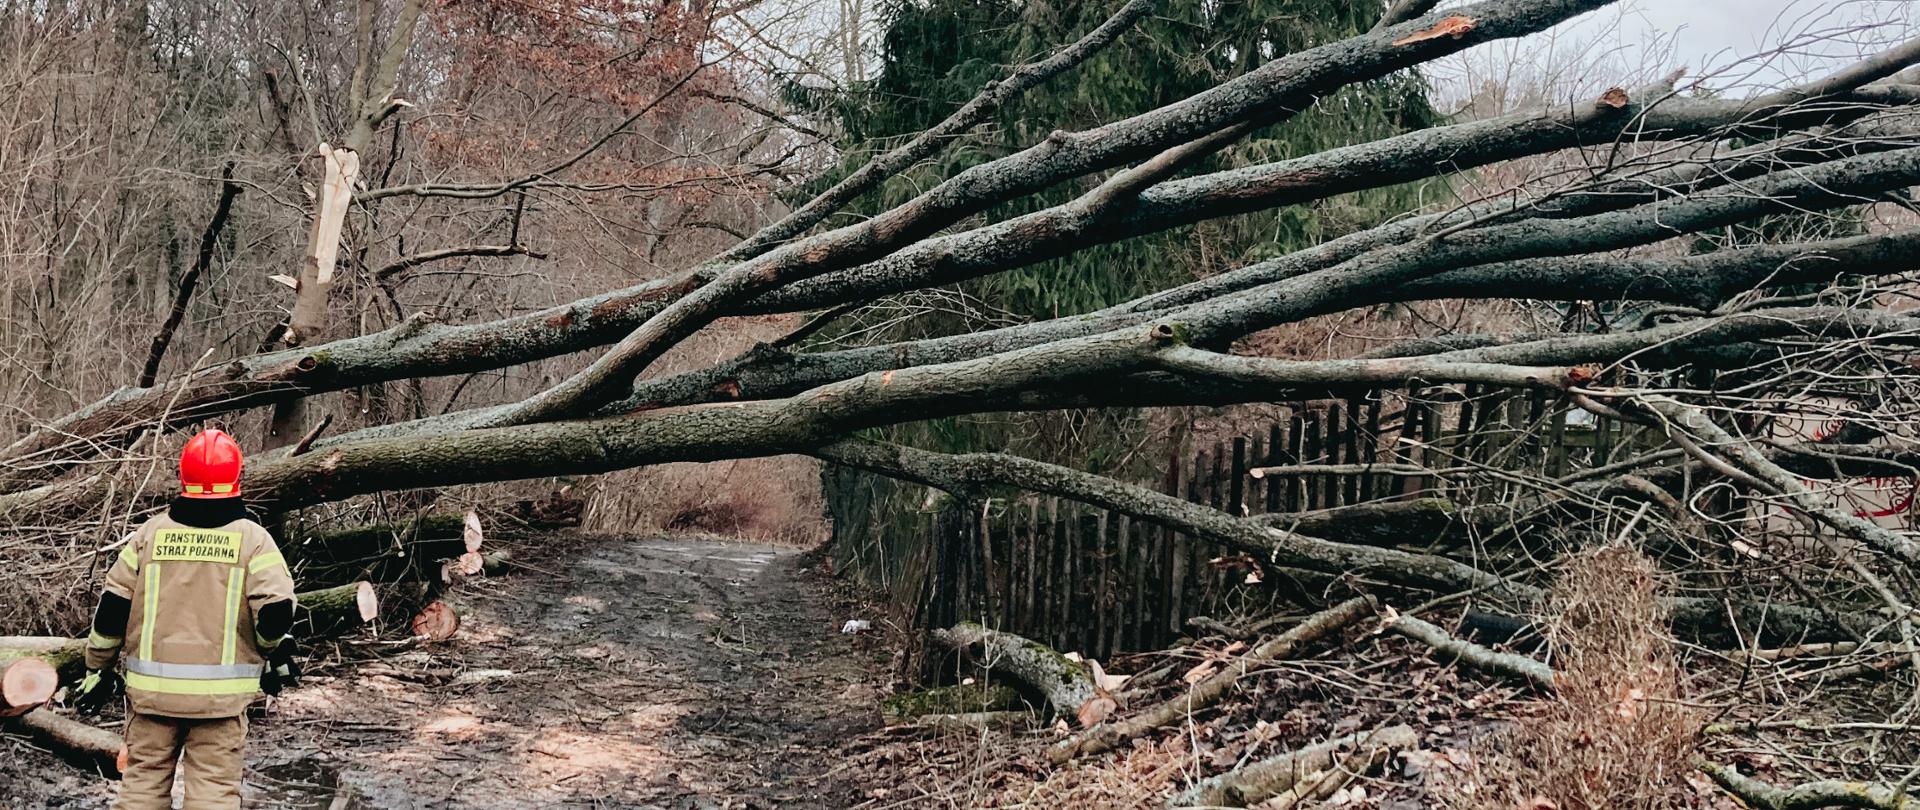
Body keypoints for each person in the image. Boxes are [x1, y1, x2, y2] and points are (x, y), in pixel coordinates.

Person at [68, 429, 301, 810]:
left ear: (182, 477)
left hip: (151, 699)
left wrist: (98, 666)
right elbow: (275, 612)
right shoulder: (253, 541)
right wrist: (272, 649)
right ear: (238, 478)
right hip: (218, 706)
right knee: (212, 795)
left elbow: (111, 609)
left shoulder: (149, 536)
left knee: (141, 789)